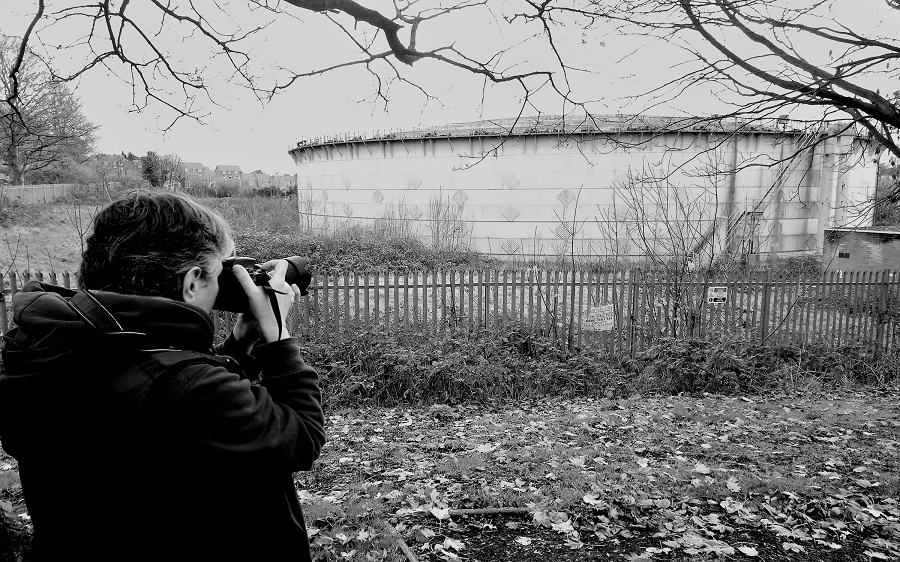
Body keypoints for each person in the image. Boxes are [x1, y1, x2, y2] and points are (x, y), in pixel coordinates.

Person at [0, 191, 325, 561]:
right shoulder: (187, 387)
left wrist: (238, 342)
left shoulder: (52, 349)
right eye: (220, 273)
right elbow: (300, 437)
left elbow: (161, 403)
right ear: (191, 283)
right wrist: (277, 337)